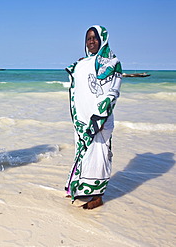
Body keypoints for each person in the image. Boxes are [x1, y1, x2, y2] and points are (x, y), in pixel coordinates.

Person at [64, 25, 122, 209]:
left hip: (100, 119)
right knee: (85, 153)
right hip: (84, 119)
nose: (91, 41)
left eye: (94, 38)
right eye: (88, 38)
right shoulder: (85, 62)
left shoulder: (112, 63)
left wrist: (99, 116)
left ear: (102, 39)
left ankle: (98, 197)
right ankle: (82, 189)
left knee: (99, 155)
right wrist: (82, 65)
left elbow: (112, 92)